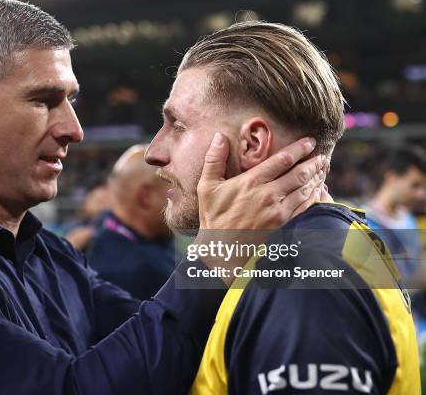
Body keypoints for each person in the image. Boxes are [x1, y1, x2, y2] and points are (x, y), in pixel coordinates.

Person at [0, 0, 327, 394]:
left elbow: (159, 344)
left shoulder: (45, 253)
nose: (74, 129)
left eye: (72, 101)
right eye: (44, 101)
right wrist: (217, 253)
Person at [144, 21, 420, 394]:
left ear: (253, 143)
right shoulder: (308, 251)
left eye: (176, 125)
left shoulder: (303, 281)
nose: (153, 152)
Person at [88, 144, 174, 299]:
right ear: (146, 197)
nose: (184, 195)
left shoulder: (93, 242)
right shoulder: (147, 271)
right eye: (176, 185)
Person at [365, 148, 426, 283]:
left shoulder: (409, 219)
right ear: (391, 178)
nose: (421, 194)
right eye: (415, 185)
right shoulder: (362, 222)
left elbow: (414, 267)